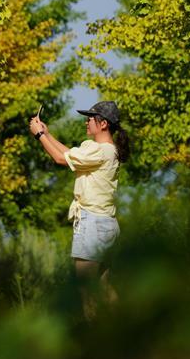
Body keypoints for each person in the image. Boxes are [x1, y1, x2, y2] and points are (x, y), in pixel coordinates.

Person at [29, 101, 130, 318]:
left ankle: (95, 336)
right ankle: (126, 331)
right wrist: (48, 134)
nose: (86, 122)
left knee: (86, 289)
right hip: (106, 224)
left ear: (103, 124)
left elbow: (59, 159)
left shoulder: (99, 150)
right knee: (102, 286)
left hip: (92, 224)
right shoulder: (105, 150)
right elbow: (69, 155)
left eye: (90, 118)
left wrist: (39, 136)